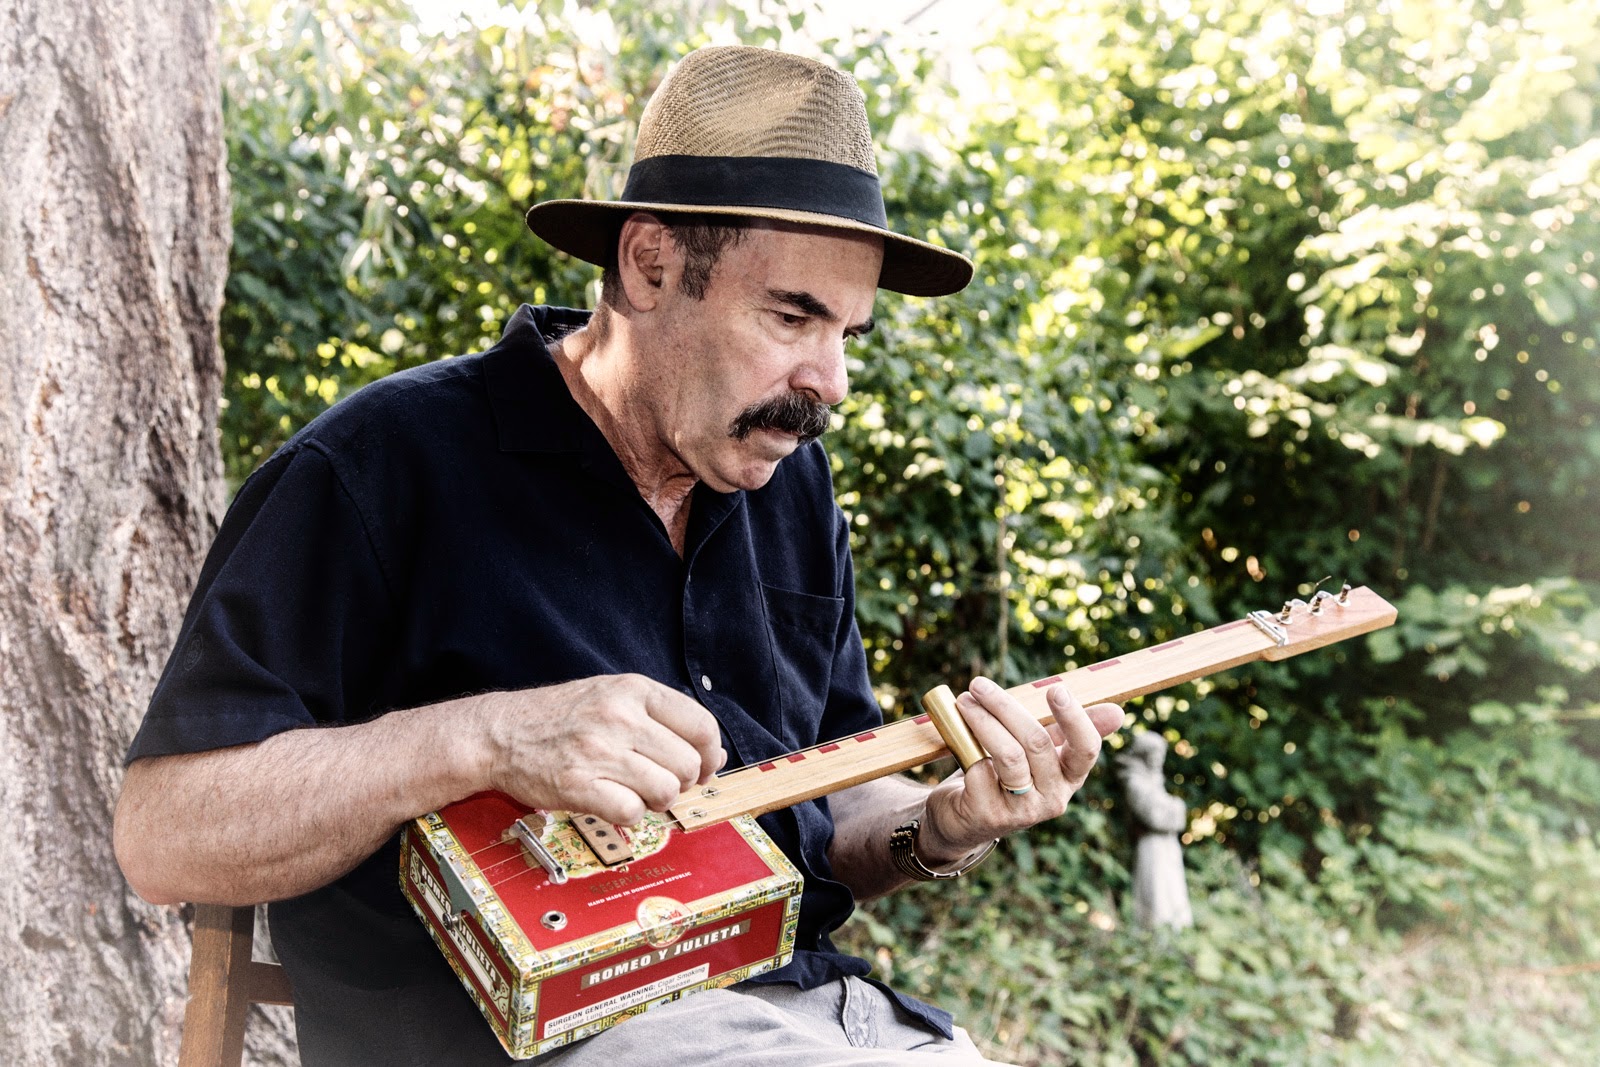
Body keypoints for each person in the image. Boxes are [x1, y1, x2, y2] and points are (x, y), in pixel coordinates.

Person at [114, 45, 1123, 1066]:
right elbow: (162, 836)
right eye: (790, 315)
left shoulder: (788, 486)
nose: (831, 381)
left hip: (821, 1023)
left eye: (849, 331)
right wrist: (483, 739)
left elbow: (835, 810)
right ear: (648, 265)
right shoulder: (383, 467)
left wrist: (942, 824)